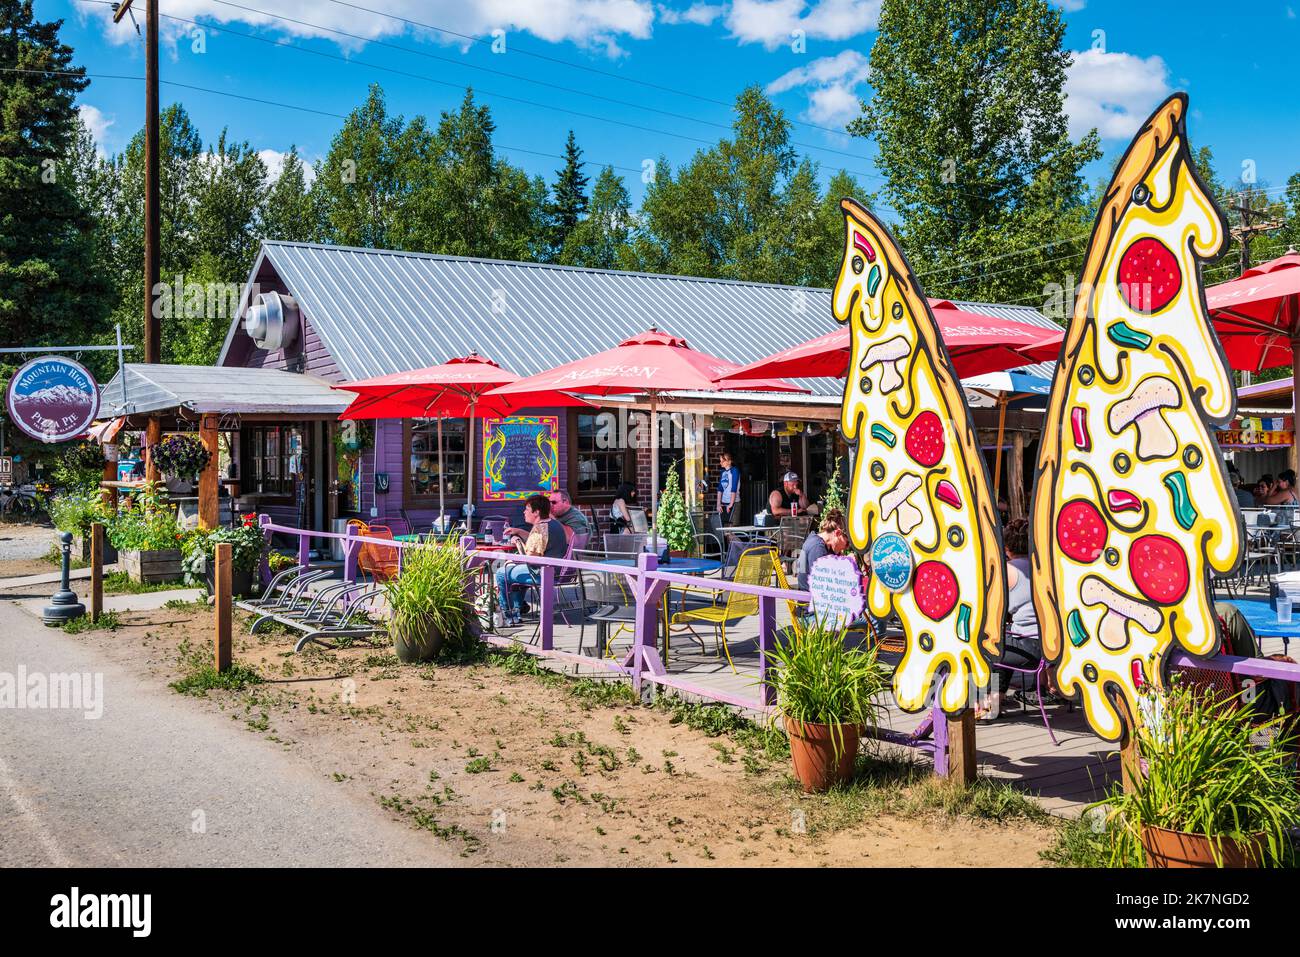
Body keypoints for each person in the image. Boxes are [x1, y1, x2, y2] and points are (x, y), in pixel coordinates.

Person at [977, 518, 1043, 721]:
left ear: (1006, 547)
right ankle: (997, 698)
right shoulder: (1043, 569)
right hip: (1049, 647)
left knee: (980, 644)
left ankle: (983, 704)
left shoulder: (1007, 571)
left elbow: (990, 605)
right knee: (1002, 639)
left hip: (1025, 646)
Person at [496, 494, 568, 626]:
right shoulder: (554, 524)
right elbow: (542, 542)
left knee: (502, 573)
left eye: (527, 509)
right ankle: (516, 611)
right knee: (514, 571)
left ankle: (507, 615)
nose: (524, 512)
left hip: (542, 573)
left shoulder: (539, 529)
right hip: (557, 570)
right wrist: (519, 532)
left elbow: (530, 559)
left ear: (537, 512)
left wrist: (517, 542)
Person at [797, 510, 848, 591]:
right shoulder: (817, 548)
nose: (847, 547)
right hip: (810, 599)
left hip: (813, 595)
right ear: (837, 534)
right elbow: (824, 581)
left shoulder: (817, 540)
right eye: (847, 542)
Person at [716, 452, 741, 526]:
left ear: (729, 462)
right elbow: (720, 489)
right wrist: (718, 504)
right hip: (724, 503)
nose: (721, 463)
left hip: (734, 503)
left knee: (733, 529)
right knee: (725, 530)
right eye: (720, 461)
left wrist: (731, 504)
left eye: (723, 461)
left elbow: (734, 488)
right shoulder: (722, 472)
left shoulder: (734, 470)